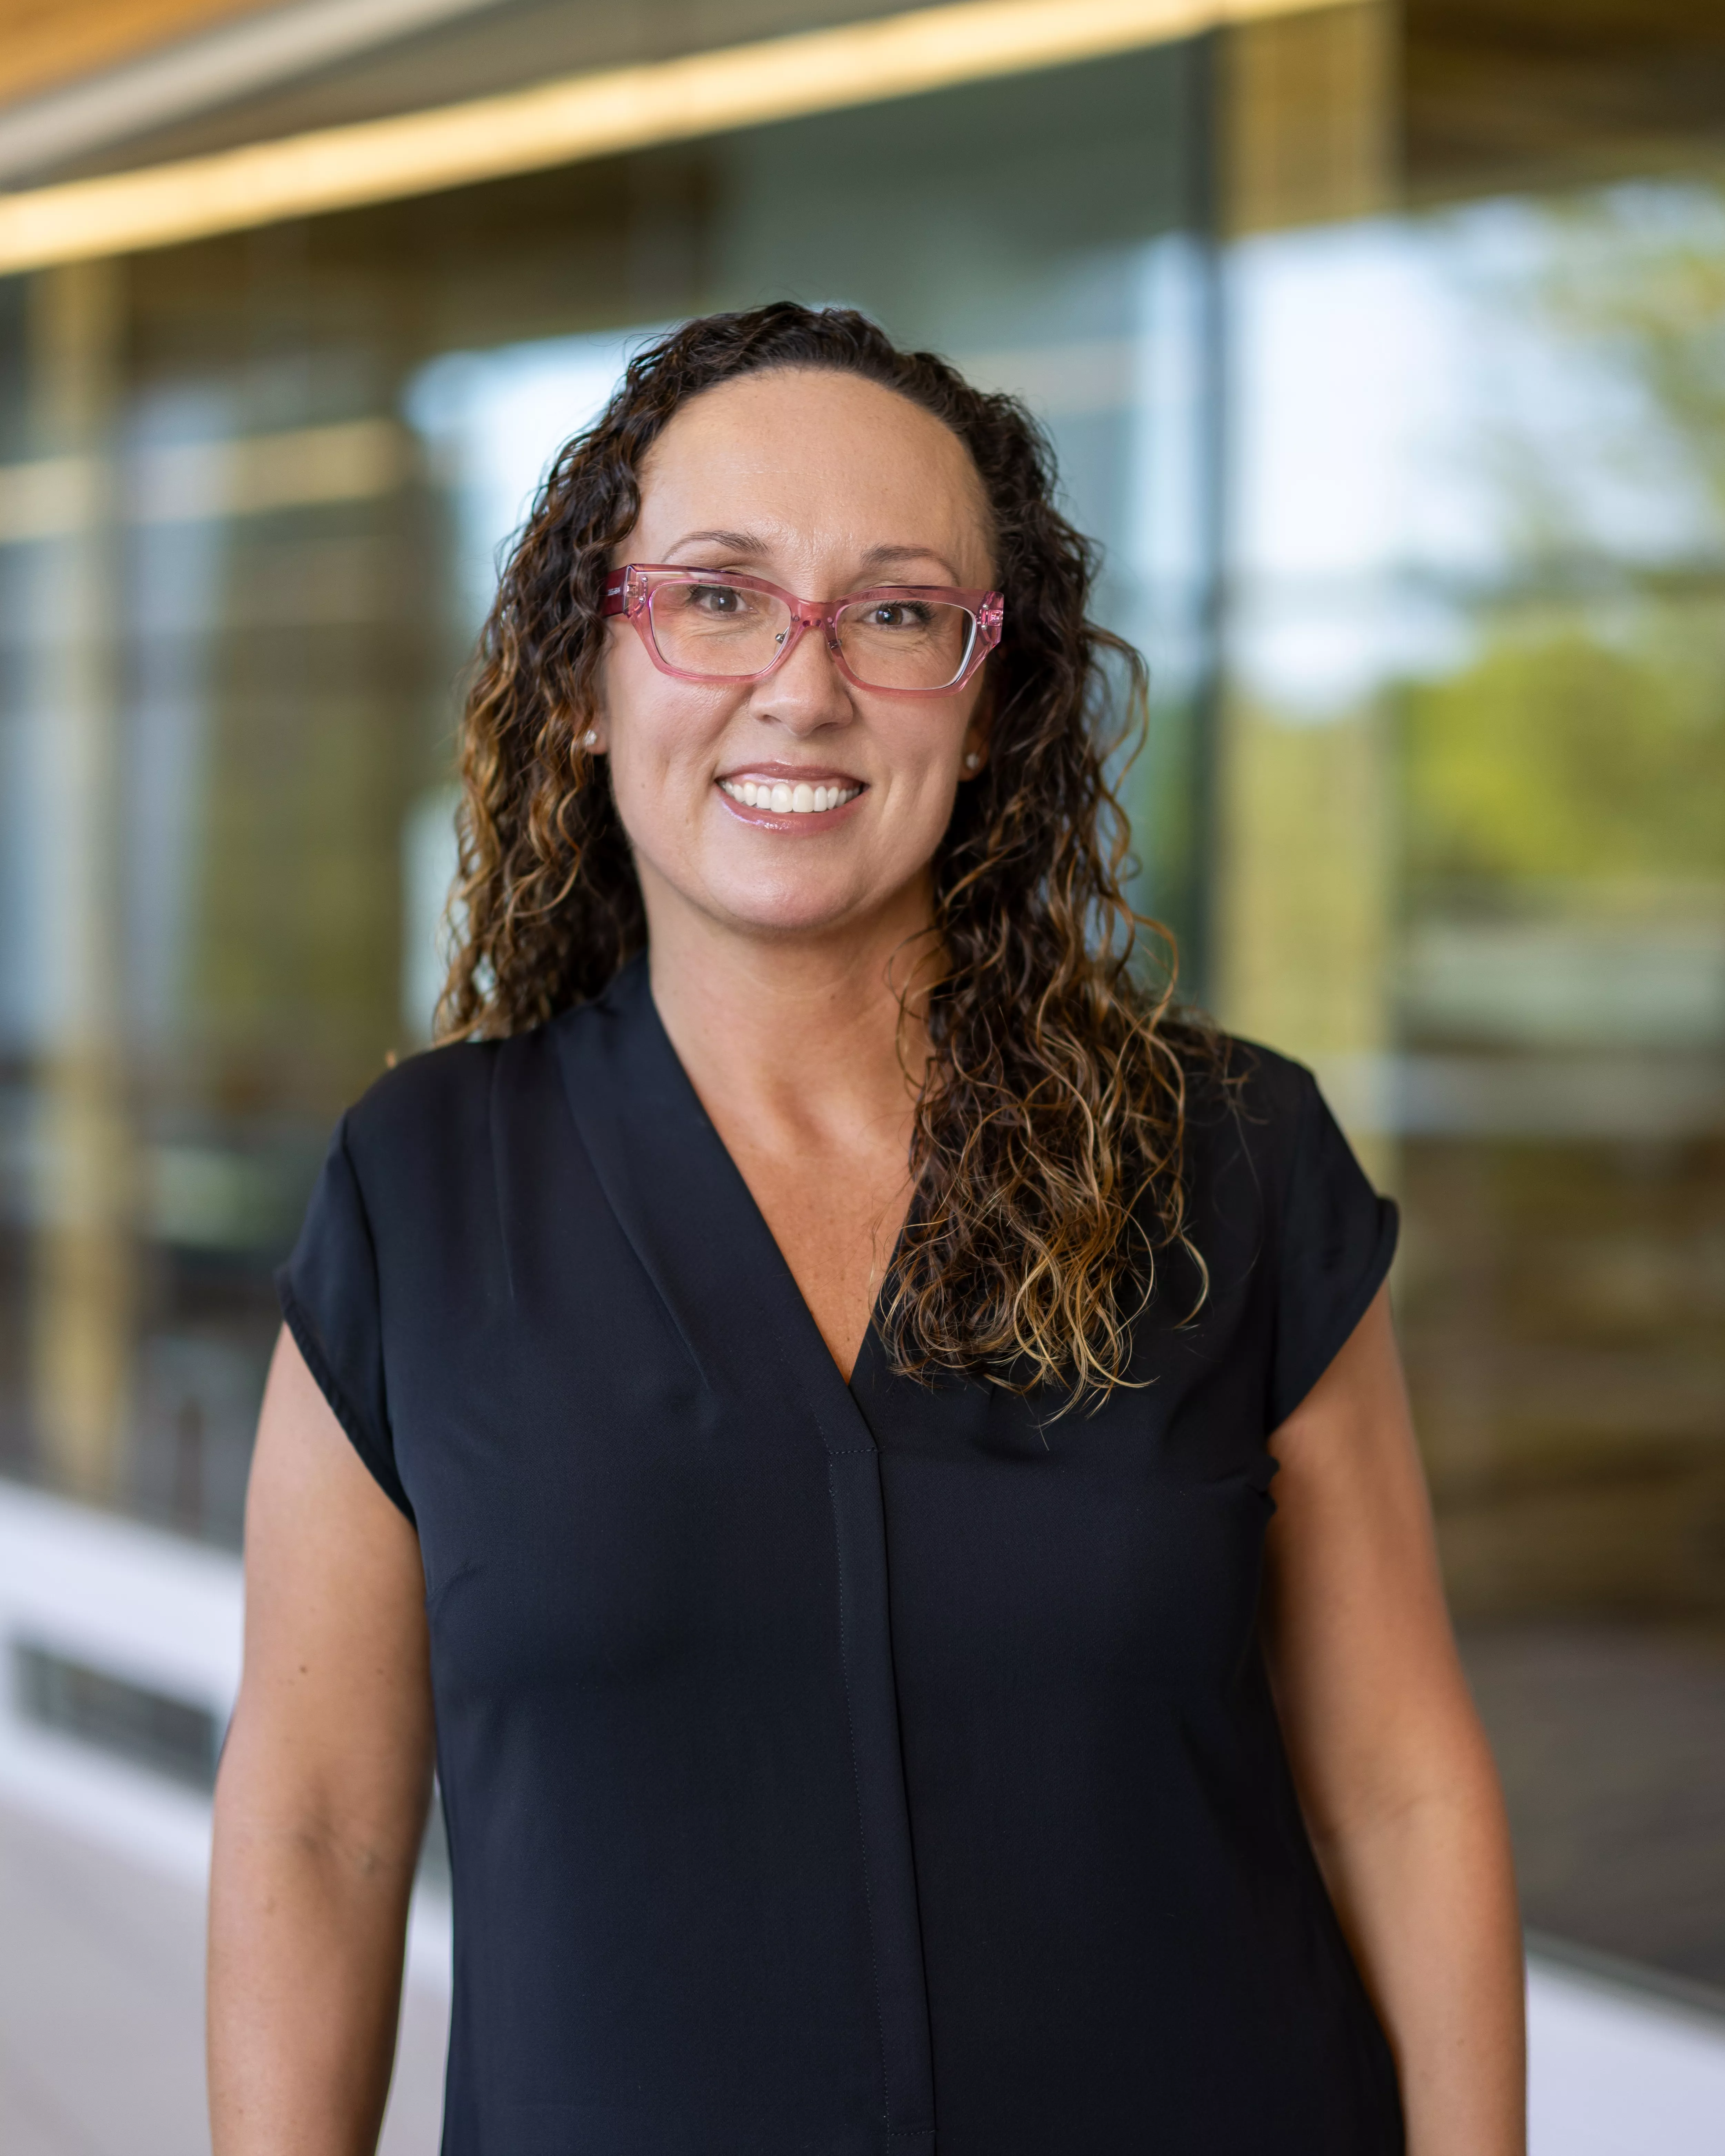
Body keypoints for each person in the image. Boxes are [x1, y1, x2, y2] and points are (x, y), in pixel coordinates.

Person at [207, 303, 1524, 2156]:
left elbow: (1395, 1785)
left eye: (898, 612)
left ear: (990, 706)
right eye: (718, 596)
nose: (802, 685)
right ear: (587, 679)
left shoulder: (1229, 1158)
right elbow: (317, 1820)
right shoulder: (424, 1197)